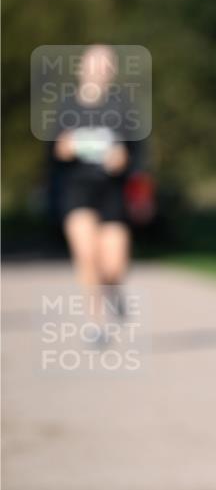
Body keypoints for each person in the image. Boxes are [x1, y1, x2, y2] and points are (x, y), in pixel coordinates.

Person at [50, 44, 151, 326]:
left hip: (112, 191)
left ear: (113, 72)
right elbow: (53, 151)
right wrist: (65, 147)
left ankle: (113, 291)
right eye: (94, 65)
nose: (99, 72)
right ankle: (95, 323)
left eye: (105, 67)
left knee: (113, 266)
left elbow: (139, 157)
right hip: (76, 189)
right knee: (86, 255)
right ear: (81, 69)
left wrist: (124, 161)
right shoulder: (66, 106)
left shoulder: (123, 107)